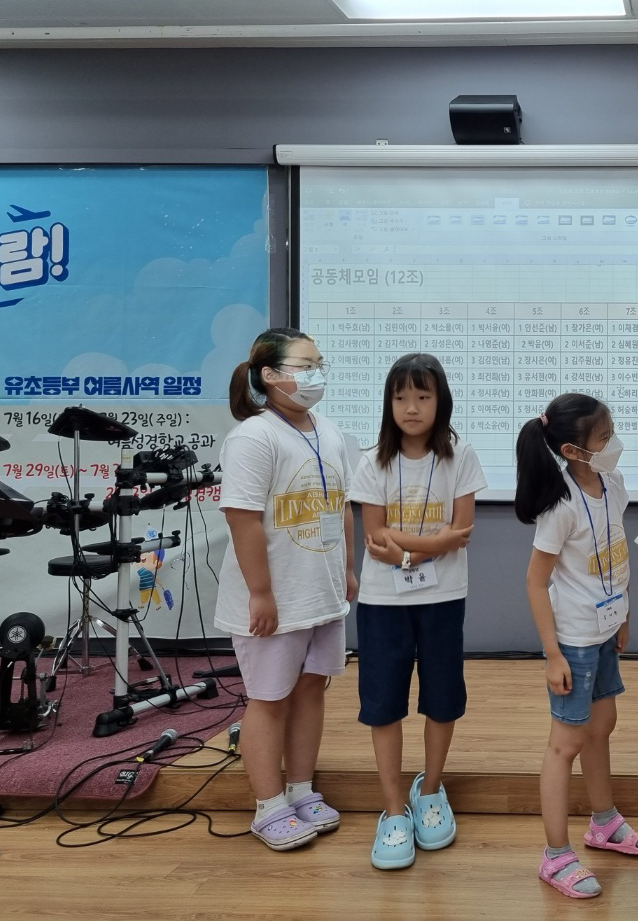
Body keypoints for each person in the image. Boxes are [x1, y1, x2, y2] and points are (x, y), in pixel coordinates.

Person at [214, 327, 355, 851]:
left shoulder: (330, 431)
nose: (315, 375)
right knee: (269, 699)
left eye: (319, 364)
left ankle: (300, 789)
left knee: (312, 689)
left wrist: (347, 569)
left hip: (320, 591)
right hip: (274, 598)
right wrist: (261, 593)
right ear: (270, 375)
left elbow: (342, 506)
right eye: (304, 365)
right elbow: (242, 519)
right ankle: (268, 805)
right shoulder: (254, 436)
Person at [348, 353, 485, 870]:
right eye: (401, 397)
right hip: (383, 601)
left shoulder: (460, 455)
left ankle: (429, 791)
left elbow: (463, 530)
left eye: (422, 396)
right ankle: (392, 810)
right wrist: (436, 543)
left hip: (443, 597)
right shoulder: (373, 461)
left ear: (440, 401)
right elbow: (374, 534)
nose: (411, 407)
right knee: (383, 702)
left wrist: (408, 552)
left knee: (442, 698)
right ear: (389, 403)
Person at [515, 394, 638, 899]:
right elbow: (535, 582)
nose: (614, 443)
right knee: (565, 743)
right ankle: (555, 855)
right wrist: (553, 654)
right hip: (572, 639)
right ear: (572, 450)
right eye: (604, 437)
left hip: (605, 628)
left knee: (602, 725)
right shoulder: (561, 506)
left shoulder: (613, 484)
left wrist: (624, 614)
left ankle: (604, 822)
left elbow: (615, 554)